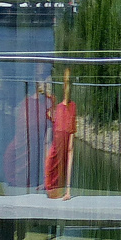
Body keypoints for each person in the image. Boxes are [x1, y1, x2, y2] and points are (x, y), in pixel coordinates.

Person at [42, 69, 75, 199]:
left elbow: (70, 150)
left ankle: (63, 189)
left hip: (58, 158)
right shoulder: (56, 106)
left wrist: (68, 190)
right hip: (54, 155)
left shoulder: (68, 107)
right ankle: (49, 185)